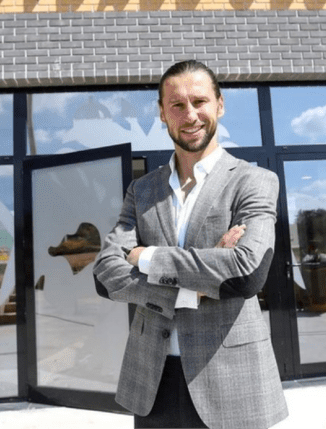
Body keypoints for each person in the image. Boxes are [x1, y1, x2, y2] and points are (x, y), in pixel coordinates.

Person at [93, 60, 288, 429]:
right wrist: (191, 291)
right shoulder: (142, 189)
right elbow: (105, 275)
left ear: (219, 104)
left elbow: (245, 273)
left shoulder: (254, 181)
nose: (190, 115)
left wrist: (147, 257)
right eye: (177, 105)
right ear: (162, 113)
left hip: (231, 378)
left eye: (199, 102)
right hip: (152, 380)